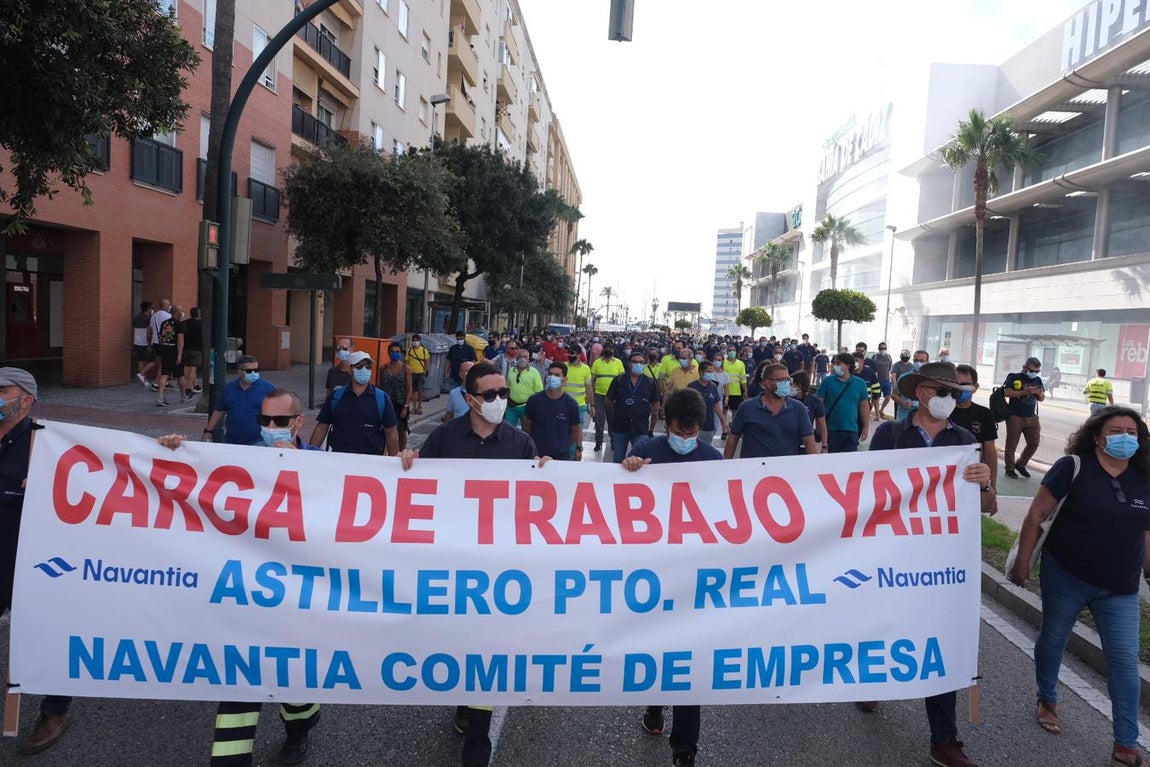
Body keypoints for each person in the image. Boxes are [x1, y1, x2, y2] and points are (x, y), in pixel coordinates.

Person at [161, 389, 322, 767]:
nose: (269, 428)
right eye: (263, 420)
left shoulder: (322, 464)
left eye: (279, 421)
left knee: (293, 684)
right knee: (239, 684)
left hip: (297, 598)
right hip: (245, 594)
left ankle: (298, 731)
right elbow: (193, 484)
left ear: (299, 422)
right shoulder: (238, 459)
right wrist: (172, 454)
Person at [398, 362, 541, 767]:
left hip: (497, 569)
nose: (499, 401)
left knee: (487, 644)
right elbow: (418, 488)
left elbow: (540, 502)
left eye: (504, 393)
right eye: (491, 394)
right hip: (451, 563)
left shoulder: (521, 444)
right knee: (456, 638)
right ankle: (464, 697)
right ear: (471, 397)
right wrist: (408, 463)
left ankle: (478, 742)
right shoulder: (444, 438)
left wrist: (550, 476)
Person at [862, 361, 996, 767]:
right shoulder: (890, 434)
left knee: (939, 642)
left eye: (957, 393)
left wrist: (985, 481)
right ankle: (873, 681)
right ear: (923, 394)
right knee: (885, 626)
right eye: (947, 393)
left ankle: (945, 739)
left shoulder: (963, 439)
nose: (954, 400)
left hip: (940, 564)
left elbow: (985, 500)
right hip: (892, 554)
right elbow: (864, 488)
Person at [1009, 406, 1150, 767]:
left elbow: (1146, 532)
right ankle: (1048, 698)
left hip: (1120, 587)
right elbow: (1036, 514)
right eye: (1116, 430)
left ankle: (1126, 744)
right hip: (1067, 575)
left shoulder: (1144, 477)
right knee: (1054, 639)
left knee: (1123, 662)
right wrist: (1023, 561)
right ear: (1098, 436)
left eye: (1132, 432)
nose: (1125, 437)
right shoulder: (1073, 467)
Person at [624, 388, 723, 766]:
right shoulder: (647, 450)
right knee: (657, 649)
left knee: (688, 659)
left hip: (695, 577)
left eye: (693, 430)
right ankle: (654, 706)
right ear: (667, 424)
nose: (686, 437)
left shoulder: (713, 459)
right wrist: (630, 468)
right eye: (680, 430)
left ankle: (685, 747)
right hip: (652, 574)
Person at [0, 368, 76, 755]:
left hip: (30, 564)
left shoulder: (47, 444)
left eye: (3, 391)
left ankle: (55, 709)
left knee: (46, 635)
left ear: (26, 400)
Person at [309, 351, 399, 455]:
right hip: (340, 458)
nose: (364, 370)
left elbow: (391, 432)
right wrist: (309, 454)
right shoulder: (336, 397)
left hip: (371, 461)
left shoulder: (382, 398)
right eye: (359, 366)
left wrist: (394, 462)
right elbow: (322, 427)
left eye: (368, 367)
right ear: (350, 369)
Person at [725, 362, 817, 459]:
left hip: (787, 469)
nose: (786, 383)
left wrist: (814, 466)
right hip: (754, 469)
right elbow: (733, 438)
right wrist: (726, 466)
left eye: (788, 379)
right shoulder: (747, 407)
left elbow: (808, 440)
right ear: (768, 383)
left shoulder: (798, 408)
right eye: (782, 380)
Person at [950, 364, 999, 507]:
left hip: (971, 476)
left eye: (965, 385)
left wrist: (991, 488)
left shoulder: (984, 414)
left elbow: (989, 451)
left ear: (975, 387)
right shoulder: (944, 412)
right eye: (957, 384)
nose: (961, 389)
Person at [203, 355, 275, 445]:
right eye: (249, 371)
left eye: (256, 370)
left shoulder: (268, 388)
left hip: (259, 441)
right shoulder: (229, 388)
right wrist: (208, 431)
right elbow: (219, 410)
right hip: (232, 441)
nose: (253, 373)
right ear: (239, 372)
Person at [605, 349, 659, 462]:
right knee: (618, 459)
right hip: (620, 427)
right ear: (629, 364)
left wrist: (651, 423)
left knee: (639, 460)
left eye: (641, 362)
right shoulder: (619, 379)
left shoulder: (650, 382)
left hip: (640, 428)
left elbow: (655, 403)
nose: (638, 364)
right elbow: (608, 400)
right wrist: (619, 410)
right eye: (635, 362)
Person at [523, 361, 582, 460]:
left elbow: (575, 431)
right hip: (537, 455)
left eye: (557, 375)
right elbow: (527, 426)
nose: (552, 377)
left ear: (564, 379)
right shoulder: (534, 400)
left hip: (561, 456)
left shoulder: (571, 404)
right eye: (550, 374)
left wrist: (564, 445)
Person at [815, 352, 871, 453]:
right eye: (834, 363)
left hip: (852, 430)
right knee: (832, 463)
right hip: (831, 430)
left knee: (850, 464)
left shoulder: (860, 383)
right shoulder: (827, 382)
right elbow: (818, 405)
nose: (835, 366)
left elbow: (864, 407)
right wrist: (819, 426)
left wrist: (866, 427)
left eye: (838, 363)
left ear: (848, 365)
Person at [1003, 357, 1045, 479]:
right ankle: (1009, 468)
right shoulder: (1014, 377)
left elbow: (1042, 398)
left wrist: (1039, 394)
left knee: (1034, 443)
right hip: (1015, 416)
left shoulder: (1037, 380)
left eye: (1037, 371)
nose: (1034, 373)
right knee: (1011, 444)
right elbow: (1007, 392)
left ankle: (1021, 464)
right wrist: (1025, 391)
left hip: (1032, 417)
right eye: (1032, 370)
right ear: (1024, 367)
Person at [377, 341, 414, 451]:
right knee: (385, 429)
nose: (395, 354)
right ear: (388, 353)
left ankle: (401, 452)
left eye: (397, 352)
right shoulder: (383, 368)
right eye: (392, 351)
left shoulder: (405, 369)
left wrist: (406, 406)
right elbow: (380, 386)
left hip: (400, 404)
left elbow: (409, 388)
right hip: (386, 403)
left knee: (401, 430)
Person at [590, 344, 624, 451]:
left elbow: (621, 380)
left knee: (612, 420)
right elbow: (592, 380)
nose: (608, 350)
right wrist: (592, 395)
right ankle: (598, 442)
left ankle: (614, 442)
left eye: (610, 348)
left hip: (613, 397)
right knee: (599, 420)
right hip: (599, 395)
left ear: (613, 350)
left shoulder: (618, 362)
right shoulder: (597, 363)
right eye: (606, 348)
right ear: (603, 350)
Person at [688, 360, 728, 445]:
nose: (710, 374)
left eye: (711, 372)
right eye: (708, 372)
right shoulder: (692, 386)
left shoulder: (713, 387)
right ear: (701, 372)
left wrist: (723, 421)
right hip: (693, 425)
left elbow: (716, 406)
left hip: (708, 425)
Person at [153, 303, 185, 407]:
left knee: (164, 374)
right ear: (176, 312)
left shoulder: (164, 323)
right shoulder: (180, 324)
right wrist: (180, 355)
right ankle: (183, 395)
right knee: (180, 375)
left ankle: (160, 397)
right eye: (180, 311)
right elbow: (180, 341)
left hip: (165, 350)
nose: (182, 313)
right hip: (174, 351)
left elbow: (161, 337)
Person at [790, 370, 828, 452]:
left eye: (791, 384)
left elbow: (822, 424)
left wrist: (824, 445)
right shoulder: (788, 399)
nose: (789, 386)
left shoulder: (814, 401)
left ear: (799, 385)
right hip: (789, 442)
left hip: (807, 441)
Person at [506, 348, 544, 427]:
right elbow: (507, 387)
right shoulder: (511, 370)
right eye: (520, 356)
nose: (523, 359)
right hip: (511, 407)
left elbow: (539, 392)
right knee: (508, 430)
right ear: (516, 357)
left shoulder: (534, 372)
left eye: (525, 357)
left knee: (527, 432)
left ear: (528, 358)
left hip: (527, 407)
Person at [893, 350, 930, 419]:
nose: (918, 363)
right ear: (913, 360)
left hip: (923, 418)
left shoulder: (930, 380)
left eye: (922, 361)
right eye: (916, 360)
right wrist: (903, 402)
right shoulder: (904, 377)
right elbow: (894, 395)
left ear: (927, 362)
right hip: (904, 417)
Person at [563, 346, 594, 427]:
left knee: (577, 434)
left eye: (572, 353)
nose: (569, 355)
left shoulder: (586, 368)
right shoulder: (563, 366)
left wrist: (592, 405)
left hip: (579, 406)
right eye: (569, 353)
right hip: (564, 405)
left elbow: (589, 388)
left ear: (579, 355)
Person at [181, 306, 204, 399]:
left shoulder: (184, 323)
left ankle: (195, 384)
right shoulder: (201, 324)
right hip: (196, 348)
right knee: (193, 368)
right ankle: (188, 387)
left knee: (187, 366)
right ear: (199, 314)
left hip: (185, 348)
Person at [132, 300, 155, 387]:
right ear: (149, 308)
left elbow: (133, 330)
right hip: (145, 342)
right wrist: (149, 344)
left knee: (140, 360)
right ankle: (142, 374)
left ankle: (143, 378)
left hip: (137, 341)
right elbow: (149, 332)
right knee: (152, 360)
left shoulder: (136, 318)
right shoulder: (149, 318)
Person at [406, 333, 430, 414]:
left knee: (420, 391)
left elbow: (427, 361)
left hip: (420, 373)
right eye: (414, 340)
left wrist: (425, 371)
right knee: (413, 391)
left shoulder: (424, 350)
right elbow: (407, 362)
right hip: (411, 373)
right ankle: (414, 407)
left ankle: (419, 407)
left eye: (417, 340)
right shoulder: (409, 351)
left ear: (420, 341)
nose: (415, 342)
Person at [873, 342, 894, 419]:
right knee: (876, 398)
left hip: (886, 380)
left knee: (888, 397)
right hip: (877, 380)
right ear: (878, 349)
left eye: (884, 348)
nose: (883, 350)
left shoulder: (888, 357)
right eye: (881, 348)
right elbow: (872, 368)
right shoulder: (875, 357)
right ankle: (877, 415)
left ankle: (881, 410)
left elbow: (890, 367)